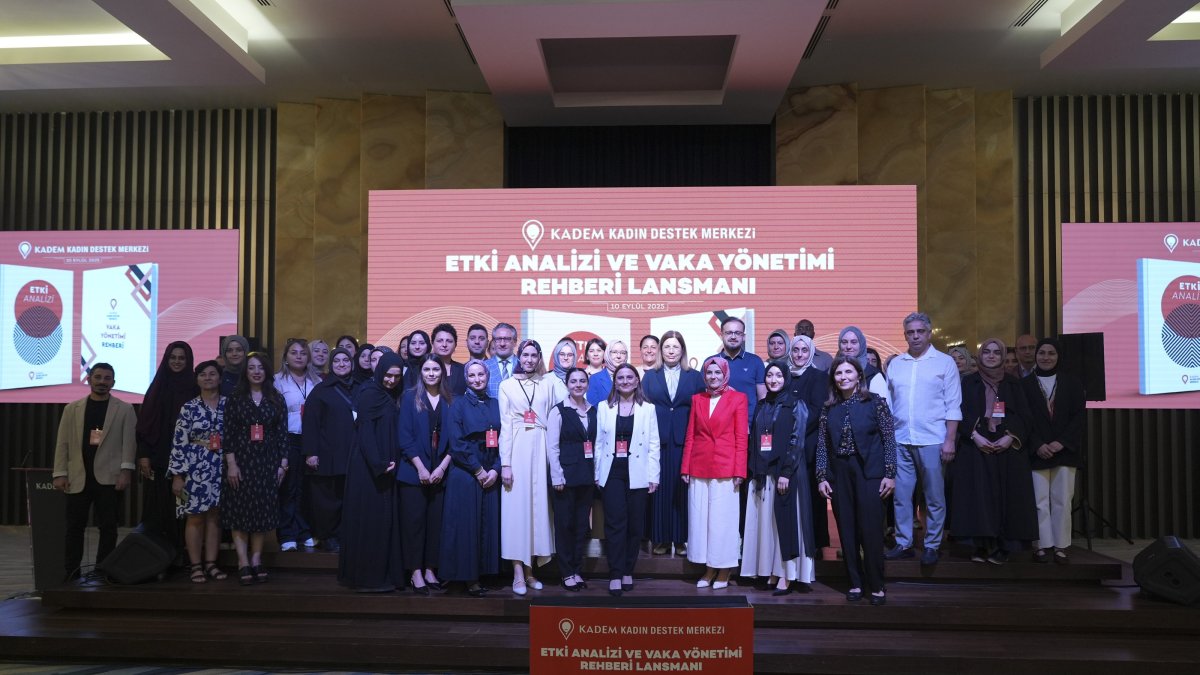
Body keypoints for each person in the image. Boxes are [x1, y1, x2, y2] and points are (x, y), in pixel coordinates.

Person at [816, 357, 897, 606]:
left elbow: (889, 439)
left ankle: (877, 584)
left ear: (859, 375)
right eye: (838, 373)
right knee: (847, 529)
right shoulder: (829, 408)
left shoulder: (875, 402)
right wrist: (822, 476)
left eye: (848, 372)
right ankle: (855, 582)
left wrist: (890, 474)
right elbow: (823, 444)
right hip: (840, 473)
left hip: (870, 471)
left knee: (871, 530)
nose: (843, 377)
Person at [950, 339, 1038, 564]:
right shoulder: (968, 382)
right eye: (987, 352)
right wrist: (975, 436)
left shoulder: (1014, 383)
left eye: (996, 352)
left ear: (1002, 356)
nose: (991, 356)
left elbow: (1025, 416)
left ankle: (1003, 547)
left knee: (1006, 498)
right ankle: (980, 545)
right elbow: (957, 412)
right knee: (978, 497)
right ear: (980, 356)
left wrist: (1010, 437)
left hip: (1007, 449)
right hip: (976, 447)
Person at [886, 312, 962, 566]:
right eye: (911, 332)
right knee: (901, 496)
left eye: (920, 331)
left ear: (929, 333)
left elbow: (953, 404)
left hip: (933, 439)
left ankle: (932, 544)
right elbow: (889, 405)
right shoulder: (896, 364)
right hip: (901, 439)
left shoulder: (944, 363)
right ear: (905, 335)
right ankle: (904, 543)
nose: (916, 336)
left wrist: (950, 440)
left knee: (934, 497)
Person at [52, 363, 137, 581]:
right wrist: (60, 472)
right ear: (89, 379)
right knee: (74, 528)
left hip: (109, 478)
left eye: (107, 378)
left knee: (108, 527)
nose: (102, 382)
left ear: (113, 383)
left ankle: (103, 571)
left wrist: (126, 471)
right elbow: (62, 443)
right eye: (98, 377)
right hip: (78, 477)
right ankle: (71, 572)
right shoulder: (72, 408)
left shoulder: (125, 409)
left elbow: (129, 443)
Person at [741, 362, 817, 595]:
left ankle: (788, 575)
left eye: (778, 376)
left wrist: (786, 472)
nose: (773, 380)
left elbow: (797, 440)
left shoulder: (796, 404)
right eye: (769, 375)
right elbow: (756, 440)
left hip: (787, 474)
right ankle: (773, 571)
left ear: (786, 378)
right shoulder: (762, 405)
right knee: (769, 526)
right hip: (765, 474)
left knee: (785, 523)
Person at [499, 339, 564, 595]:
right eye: (524, 355)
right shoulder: (507, 385)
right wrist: (506, 463)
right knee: (517, 511)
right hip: (517, 447)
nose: (529, 360)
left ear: (539, 358)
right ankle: (517, 571)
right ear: (519, 357)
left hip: (542, 446)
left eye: (533, 356)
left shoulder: (549, 383)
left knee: (538, 509)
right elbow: (505, 425)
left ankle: (530, 571)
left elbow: (562, 411)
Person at [339, 352, 405, 592]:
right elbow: (365, 432)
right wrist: (378, 464)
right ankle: (367, 577)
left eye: (396, 376)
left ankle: (383, 574)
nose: (391, 380)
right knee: (370, 520)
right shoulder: (369, 393)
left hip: (385, 466)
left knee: (382, 520)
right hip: (368, 468)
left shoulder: (391, 394)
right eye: (388, 375)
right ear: (379, 372)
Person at [593, 364, 660, 596]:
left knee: (634, 525)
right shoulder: (604, 407)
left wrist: (653, 475)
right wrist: (596, 473)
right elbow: (598, 443)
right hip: (612, 472)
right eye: (620, 377)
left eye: (629, 377)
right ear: (615, 381)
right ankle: (615, 573)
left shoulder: (648, 409)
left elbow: (654, 444)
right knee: (615, 524)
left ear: (637, 380)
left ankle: (628, 571)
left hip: (638, 472)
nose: (625, 381)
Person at [222, 352, 288, 585]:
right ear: (245, 371)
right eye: (251, 367)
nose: (256, 372)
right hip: (241, 461)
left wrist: (283, 464)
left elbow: (282, 433)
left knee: (261, 511)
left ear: (266, 371)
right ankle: (242, 561)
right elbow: (228, 433)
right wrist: (231, 464)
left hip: (268, 462)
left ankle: (257, 558)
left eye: (260, 367)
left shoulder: (276, 398)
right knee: (240, 512)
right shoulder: (235, 398)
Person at [682, 356, 748, 589]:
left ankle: (724, 569)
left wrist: (740, 470)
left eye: (717, 372)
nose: (713, 377)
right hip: (699, 465)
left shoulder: (738, 398)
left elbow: (741, 437)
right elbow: (691, 434)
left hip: (726, 467)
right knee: (701, 521)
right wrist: (685, 466)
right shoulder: (697, 399)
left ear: (725, 374)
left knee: (723, 521)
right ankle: (709, 568)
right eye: (709, 372)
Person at [1021, 338, 1086, 564]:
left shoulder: (1072, 383)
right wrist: (1037, 444)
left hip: (1064, 452)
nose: (1046, 357)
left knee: (1062, 501)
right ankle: (1041, 545)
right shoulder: (1025, 384)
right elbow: (1023, 420)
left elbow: (1079, 417)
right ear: (1035, 356)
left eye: (1051, 353)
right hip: (1036, 452)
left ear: (1058, 356)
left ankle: (1060, 546)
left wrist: (1061, 442)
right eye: (1042, 353)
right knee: (1038, 502)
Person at [440, 360, 502, 597]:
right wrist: (477, 470)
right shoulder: (457, 404)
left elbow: (505, 438)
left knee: (487, 524)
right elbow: (456, 442)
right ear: (466, 379)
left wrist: (495, 469)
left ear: (488, 376)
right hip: (466, 472)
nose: (477, 379)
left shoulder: (496, 403)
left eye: (481, 375)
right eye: (472, 375)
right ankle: (468, 577)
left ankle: (485, 573)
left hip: (491, 471)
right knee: (467, 526)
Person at [642, 330, 704, 556]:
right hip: (656, 440)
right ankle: (660, 539)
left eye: (675, 347)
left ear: (682, 350)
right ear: (661, 350)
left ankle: (679, 540)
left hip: (683, 440)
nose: (671, 351)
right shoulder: (650, 376)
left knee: (681, 490)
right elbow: (643, 407)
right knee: (658, 490)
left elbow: (700, 409)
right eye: (667, 346)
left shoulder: (695, 376)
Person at [397, 354, 453, 595]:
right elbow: (404, 437)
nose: (431, 374)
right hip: (413, 472)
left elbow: (456, 439)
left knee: (435, 524)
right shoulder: (410, 397)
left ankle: (430, 569)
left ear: (442, 372)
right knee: (414, 524)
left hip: (441, 473)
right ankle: (415, 572)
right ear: (421, 373)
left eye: (436, 370)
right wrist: (421, 468)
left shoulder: (451, 399)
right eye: (427, 369)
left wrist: (441, 468)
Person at [135, 341, 197, 558]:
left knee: (185, 510)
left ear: (188, 361)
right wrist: (144, 455)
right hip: (159, 457)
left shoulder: (195, 388)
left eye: (182, 358)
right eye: (173, 357)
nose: (177, 362)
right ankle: (157, 558)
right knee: (159, 508)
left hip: (189, 460)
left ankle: (182, 557)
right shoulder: (157, 387)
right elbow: (145, 424)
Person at [168, 360, 226, 582]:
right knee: (194, 517)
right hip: (194, 467)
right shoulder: (189, 407)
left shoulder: (229, 405)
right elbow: (179, 442)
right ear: (197, 379)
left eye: (212, 374)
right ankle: (195, 565)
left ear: (220, 378)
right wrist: (177, 475)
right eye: (203, 374)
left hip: (221, 465)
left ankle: (211, 563)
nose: (208, 378)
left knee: (215, 516)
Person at [301, 347, 356, 553]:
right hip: (327, 455)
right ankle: (328, 536)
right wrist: (311, 452)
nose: (342, 364)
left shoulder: (359, 388)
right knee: (327, 500)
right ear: (331, 365)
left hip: (352, 454)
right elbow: (311, 423)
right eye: (337, 361)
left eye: (345, 360)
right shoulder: (321, 391)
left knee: (347, 498)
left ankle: (344, 535)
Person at [546, 367, 596, 592]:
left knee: (581, 526)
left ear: (587, 384)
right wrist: (556, 475)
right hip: (564, 478)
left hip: (586, 477)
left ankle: (576, 569)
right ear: (567, 384)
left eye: (582, 381)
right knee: (565, 525)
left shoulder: (593, 410)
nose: (578, 385)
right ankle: (566, 572)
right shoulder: (558, 411)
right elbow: (552, 447)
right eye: (573, 381)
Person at [786, 334, 832, 552]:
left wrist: (792, 427)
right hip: (787, 445)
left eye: (804, 350)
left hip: (809, 444)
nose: (799, 354)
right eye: (795, 350)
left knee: (812, 496)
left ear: (811, 352)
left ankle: (815, 545)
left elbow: (817, 410)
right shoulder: (784, 374)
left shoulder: (819, 376)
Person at [274, 337, 319, 551]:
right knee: (288, 487)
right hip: (288, 437)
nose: (299, 357)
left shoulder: (316, 380)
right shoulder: (277, 381)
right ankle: (286, 533)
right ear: (285, 357)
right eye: (294, 353)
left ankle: (303, 530)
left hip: (311, 439)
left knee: (306, 488)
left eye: (303, 353)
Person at [710, 317, 765, 423]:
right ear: (721, 335)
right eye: (729, 333)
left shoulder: (755, 361)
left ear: (743, 337)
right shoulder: (711, 362)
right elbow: (704, 397)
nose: (733, 336)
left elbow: (762, 398)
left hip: (748, 426)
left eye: (738, 333)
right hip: (717, 426)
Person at [837, 326, 890, 405]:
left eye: (854, 342)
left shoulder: (873, 375)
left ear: (861, 344)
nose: (848, 346)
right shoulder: (831, 371)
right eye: (844, 342)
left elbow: (882, 407)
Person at [587, 339, 628, 405]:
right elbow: (593, 406)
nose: (618, 356)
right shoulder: (594, 378)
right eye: (614, 352)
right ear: (607, 354)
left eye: (623, 353)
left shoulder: (631, 378)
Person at [431, 323, 467, 396]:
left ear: (455, 345)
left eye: (449, 341)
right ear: (432, 343)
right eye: (440, 341)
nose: (444, 345)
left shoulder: (463, 370)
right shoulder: (422, 368)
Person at [484, 322, 518, 399]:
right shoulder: (483, 367)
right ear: (493, 342)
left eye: (507, 339)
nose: (502, 344)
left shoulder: (523, 366)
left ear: (515, 342)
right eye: (498, 339)